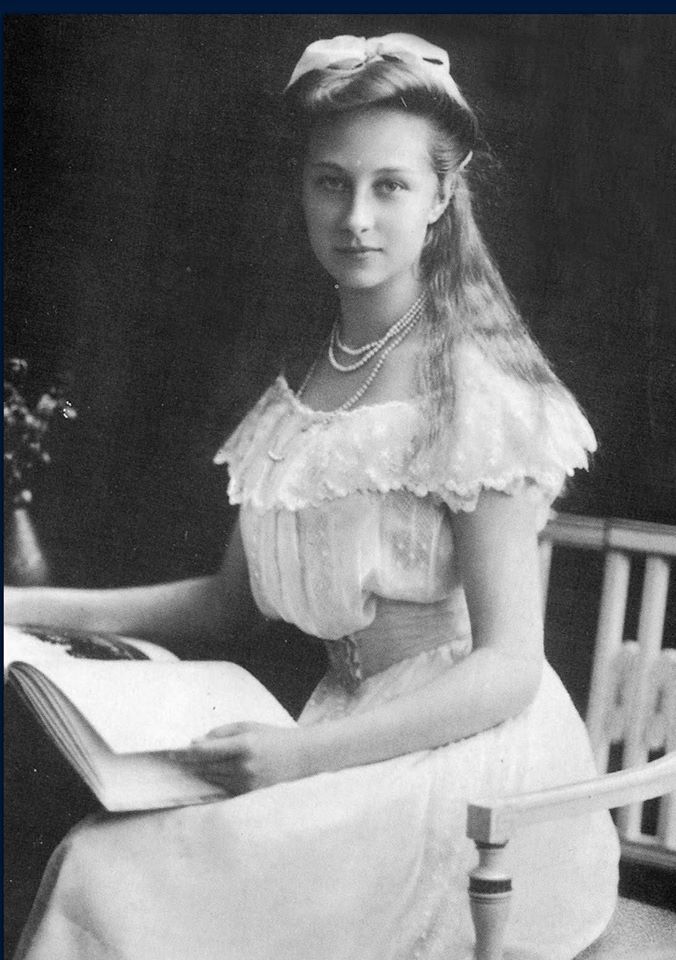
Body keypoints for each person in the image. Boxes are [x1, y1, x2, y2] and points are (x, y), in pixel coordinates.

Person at [5, 32, 619, 960]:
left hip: (472, 765)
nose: (356, 217)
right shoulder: (305, 380)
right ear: (301, 188)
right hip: (348, 733)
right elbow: (226, 602)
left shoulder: (476, 387)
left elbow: (508, 668)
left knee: (117, 871)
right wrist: (23, 609)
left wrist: (298, 757)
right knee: (108, 847)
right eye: (332, 182)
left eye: (390, 186)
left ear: (441, 197)